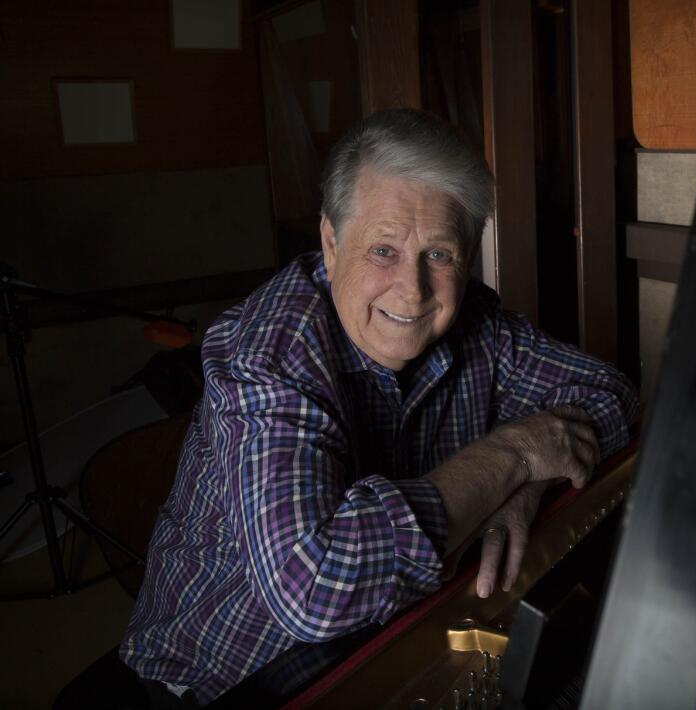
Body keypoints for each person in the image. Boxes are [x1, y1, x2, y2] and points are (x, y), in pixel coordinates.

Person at [119, 109, 638, 705]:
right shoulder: (267, 354)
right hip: (220, 677)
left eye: (439, 255)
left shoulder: (477, 324)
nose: (413, 291)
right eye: (384, 250)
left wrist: (527, 487)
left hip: (391, 632)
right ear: (331, 243)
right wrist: (517, 453)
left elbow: (609, 390)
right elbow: (313, 589)